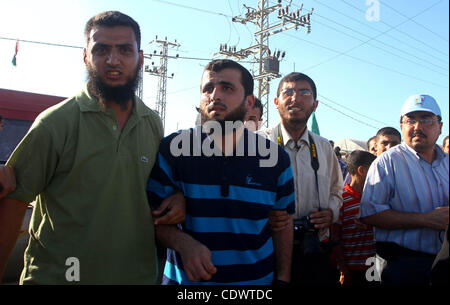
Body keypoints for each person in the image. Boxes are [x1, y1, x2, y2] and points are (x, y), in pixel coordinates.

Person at [0, 11, 184, 284]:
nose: (113, 60)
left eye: (124, 50)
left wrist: (179, 197)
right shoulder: (55, 123)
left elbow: (158, 188)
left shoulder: (152, 124)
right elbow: (13, 205)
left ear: (141, 58)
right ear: (85, 56)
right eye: (101, 50)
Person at [147, 59, 295, 285]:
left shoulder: (276, 159)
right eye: (208, 88)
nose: (215, 95)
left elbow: (282, 225)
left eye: (227, 88)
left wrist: (283, 278)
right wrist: (182, 242)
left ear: (249, 101)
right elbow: (149, 220)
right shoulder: (172, 150)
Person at [259, 72, 343, 285]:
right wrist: (261, 214)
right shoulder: (256, 144)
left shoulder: (324, 147)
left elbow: (337, 189)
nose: (295, 98)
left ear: (315, 105)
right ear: (276, 102)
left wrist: (331, 212)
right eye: (288, 92)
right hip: (266, 248)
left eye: (304, 92)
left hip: (313, 248)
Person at [360, 94, 449, 285]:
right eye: (410, 120)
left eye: (426, 119)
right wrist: (425, 220)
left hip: (444, 263)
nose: (418, 127)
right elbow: (369, 214)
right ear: (402, 126)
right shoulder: (386, 163)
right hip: (400, 265)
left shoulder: (447, 163)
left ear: (440, 127)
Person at [331, 150, 376, 286]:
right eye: (374, 169)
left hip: (374, 267)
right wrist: (343, 269)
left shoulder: (376, 197)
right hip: (352, 268)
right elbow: (335, 237)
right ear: (362, 170)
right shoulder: (341, 200)